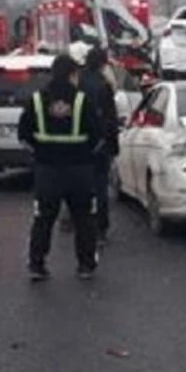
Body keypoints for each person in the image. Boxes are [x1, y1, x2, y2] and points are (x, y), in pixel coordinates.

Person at [17, 53, 104, 282]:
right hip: (79, 170)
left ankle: (37, 264)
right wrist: (85, 154)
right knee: (84, 220)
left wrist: (40, 153)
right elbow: (98, 136)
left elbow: (23, 136)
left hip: (47, 171)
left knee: (43, 219)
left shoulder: (36, 101)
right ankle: (85, 265)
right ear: (73, 75)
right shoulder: (82, 101)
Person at [79, 46, 120, 245]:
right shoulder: (103, 85)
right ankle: (100, 228)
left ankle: (80, 223)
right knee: (100, 187)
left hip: (77, 144)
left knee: (78, 187)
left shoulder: (77, 82)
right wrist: (113, 146)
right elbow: (111, 119)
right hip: (99, 144)